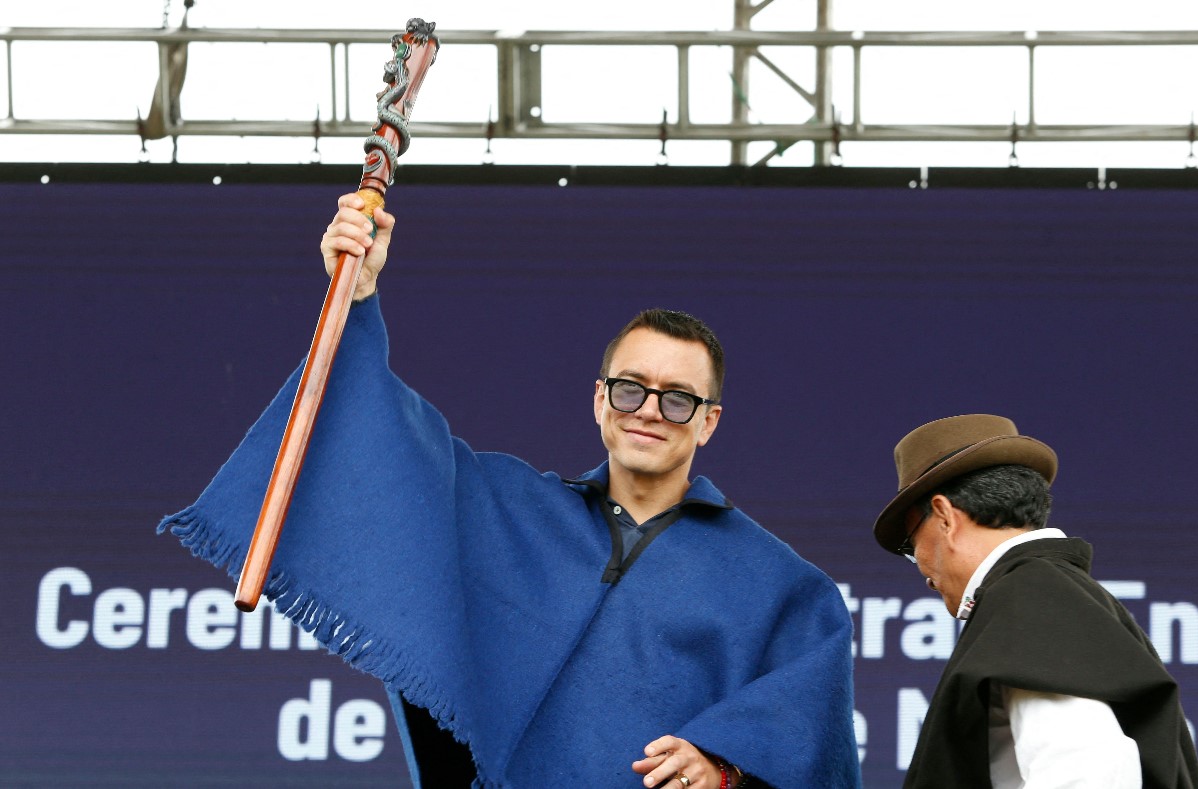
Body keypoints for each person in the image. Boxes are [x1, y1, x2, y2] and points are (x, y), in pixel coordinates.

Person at [159, 193, 861, 788]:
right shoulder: (512, 511)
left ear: (709, 423)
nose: (649, 410)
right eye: (629, 388)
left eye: (678, 399)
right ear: (597, 400)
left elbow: (809, 733)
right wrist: (359, 296)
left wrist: (724, 764)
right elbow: (388, 449)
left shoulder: (778, 584)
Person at [872, 414, 1198, 789]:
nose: (921, 569)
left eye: (909, 544)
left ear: (945, 517)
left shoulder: (1029, 599)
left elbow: (1089, 769)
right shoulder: (1053, 593)